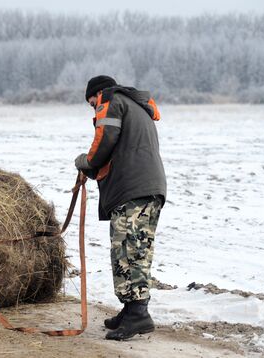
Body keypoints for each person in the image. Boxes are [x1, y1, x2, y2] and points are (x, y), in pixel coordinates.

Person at [74, 75, 167, 341]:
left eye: (92, 103)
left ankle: (138, 315)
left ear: (97, 94)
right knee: (136, 250)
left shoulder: (111, 100)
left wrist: (85, 162)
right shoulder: (135, 105)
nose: (94, 108)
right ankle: (131, 310)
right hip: (147, 187)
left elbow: (105, 141)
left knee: (128, 251)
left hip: (133, 189)